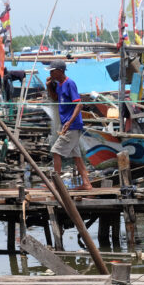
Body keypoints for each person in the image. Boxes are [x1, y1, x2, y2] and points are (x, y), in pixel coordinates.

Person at [46, 59, 92, 190]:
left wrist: (69, 122)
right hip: (67, 125)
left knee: (55, 151)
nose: (51, 74)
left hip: (71, 126)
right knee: (77, 157)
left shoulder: (70, 83)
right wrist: (49, 85)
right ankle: (87, 184)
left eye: (52, 71)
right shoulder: (60, 84)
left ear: (60, 71)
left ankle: (57, 184)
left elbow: (79, 104)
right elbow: (56, 98)